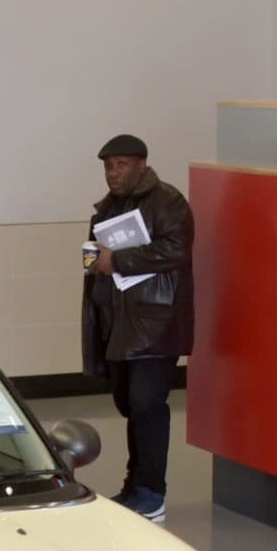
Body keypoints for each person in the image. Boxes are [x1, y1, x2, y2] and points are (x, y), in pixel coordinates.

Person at [80, 134, 193, 523]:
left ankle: (152, 491)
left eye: (122, 164)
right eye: (109, 166)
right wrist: (92, 259)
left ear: (142, 164)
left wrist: (120, 261)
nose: (113, 173)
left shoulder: (168, 201)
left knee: (147, 404)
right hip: (120, 325)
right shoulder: (106, 208)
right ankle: (134, 485)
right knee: (129, 405)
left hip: (155, 325)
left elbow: (176, 249)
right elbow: (91, 254)